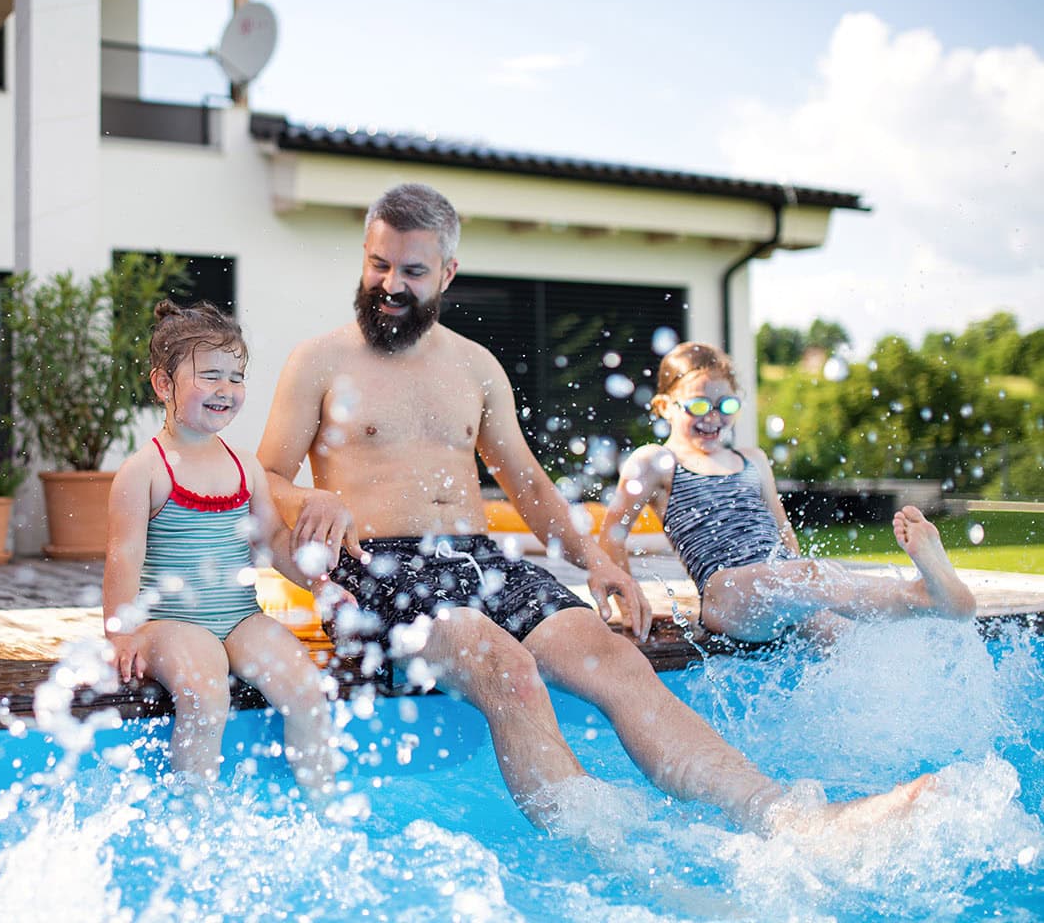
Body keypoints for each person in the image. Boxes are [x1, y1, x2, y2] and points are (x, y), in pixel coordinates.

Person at [256, 181, 934, 835]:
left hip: (481, 559)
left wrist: (597, 562)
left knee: (617, 662)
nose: (392, 286)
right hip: (380, 565)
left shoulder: (475, 366)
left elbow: (525, 482)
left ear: (448, 272)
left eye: (412, 270)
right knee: (508, 670)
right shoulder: (319, 361)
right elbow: (263, 476)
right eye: (378, 265)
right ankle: (618, 854)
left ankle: (786, 817)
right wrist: (308, 496)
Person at [101, 300, 338, 797]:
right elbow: (123, 556)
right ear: (163, 385)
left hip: (238, 617)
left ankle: (322, 805)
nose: (226, 390)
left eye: (236, 377)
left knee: (308, 690)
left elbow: (272, 540)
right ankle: (194, 815)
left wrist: (319, 585)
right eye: (210, 376)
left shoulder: (245, 466)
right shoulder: (144, 471)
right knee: (207, 695)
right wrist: (120, 636)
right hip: (169, 622)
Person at [598, 340, 976, 644]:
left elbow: (782, 533)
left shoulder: (752, 459)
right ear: (665, 406)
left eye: (725, 404)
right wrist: (629, 600)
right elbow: (611, 535)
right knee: (814, 575)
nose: (713, 417)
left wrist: (801, 582)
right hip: (726, 594)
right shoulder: (656, 461)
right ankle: (926, 594)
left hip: (781, 586)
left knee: (848, 641)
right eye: (698, 405)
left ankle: (930, 608)